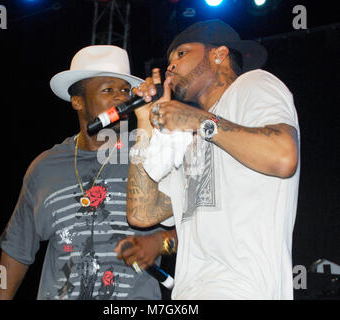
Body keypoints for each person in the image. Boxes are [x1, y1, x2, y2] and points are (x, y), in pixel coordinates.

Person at [126, 20, 300, 299]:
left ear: (218, 54)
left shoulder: (254, 85)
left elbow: (283, 156)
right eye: (169, 60)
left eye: (181, 54)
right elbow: (142, 213)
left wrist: (198, 120)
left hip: (244, 289)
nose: (171, 66)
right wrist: (144, 121)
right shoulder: (187, 137)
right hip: (189, 292)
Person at [0, 45, 177, 300]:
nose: (121, 98)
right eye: (108, 90)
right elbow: (16, 250)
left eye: (126, 90)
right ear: (78, 101)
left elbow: (195, 228)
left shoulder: (151, 153)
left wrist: (160, 243)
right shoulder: (45, 167)